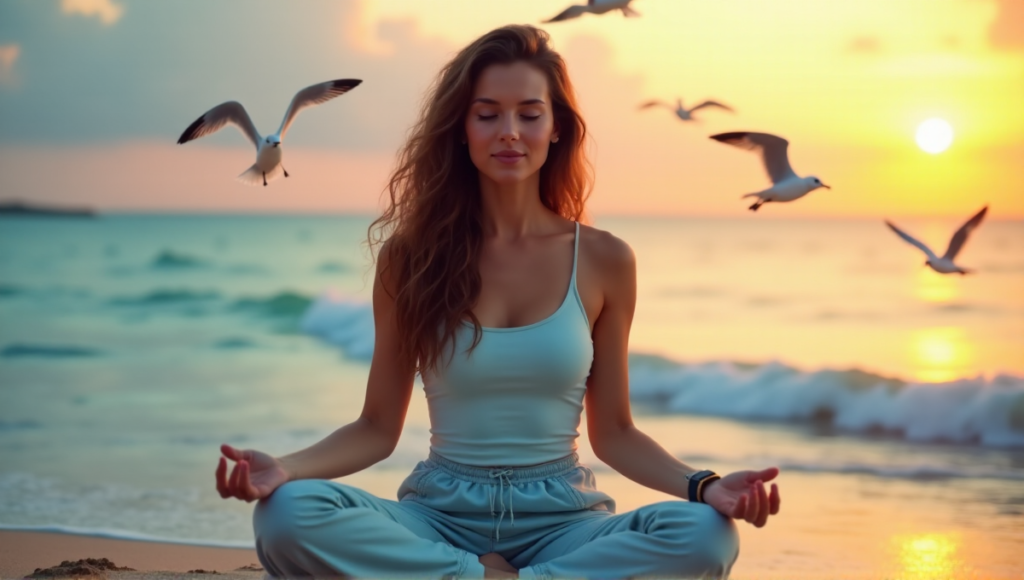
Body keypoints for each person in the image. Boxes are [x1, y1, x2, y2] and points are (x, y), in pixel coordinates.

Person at [215, 24, 781, 579]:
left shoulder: (604, 258)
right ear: (461, 129)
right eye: (487, 114)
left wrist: (706, 487)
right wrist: (283, 469)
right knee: (287, 515)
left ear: (556, 128)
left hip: (565, 523)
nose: (509, 132)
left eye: (529, 114)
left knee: (705, 535)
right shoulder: (410, 259)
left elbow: (615, 434)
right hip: (436, 521)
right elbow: (376, 427)